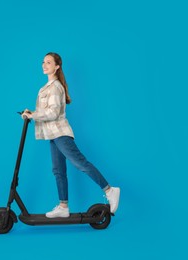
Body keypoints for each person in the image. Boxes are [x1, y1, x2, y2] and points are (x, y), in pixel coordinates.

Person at [22, 52, 120, 218]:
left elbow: (53, 113)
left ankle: (110, 190)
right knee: (58, 170)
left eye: (48, 62)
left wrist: (34, 116)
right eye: (43, 62)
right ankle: (63, 206)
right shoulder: (46, 87)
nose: (44, 65)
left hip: (60, 133)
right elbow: (46, 111)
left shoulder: (56, 87)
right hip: (52, 134)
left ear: (57, 66)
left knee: (80, 163)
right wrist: (31, 112)